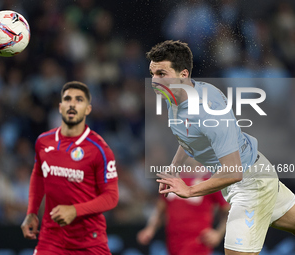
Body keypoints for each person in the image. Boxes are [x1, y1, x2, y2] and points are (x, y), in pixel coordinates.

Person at [147, 40, 295, 255]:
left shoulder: (208, 111)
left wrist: (189, 190)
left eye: (162, 73)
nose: (154, 81)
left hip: (249, 182)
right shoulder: (176, 98)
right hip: (247, 176)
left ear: (183, 74)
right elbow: (190, 138)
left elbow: (233, 172)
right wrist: (175, 167)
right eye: (152, 73)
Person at [21, 81, 119, 255]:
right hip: (51, 239)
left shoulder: (99, 150)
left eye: (79, 100)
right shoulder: (44, 141)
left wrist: (75, 210)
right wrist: (32, 212)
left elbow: (111, 197)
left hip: (88, 241)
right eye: (67, 99)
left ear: (88, 109)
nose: (72, 104)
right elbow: (38, 174)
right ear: (60, 107)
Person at [137, 169, 230, 255]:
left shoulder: (210, 179)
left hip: (199, 244)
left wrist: (218, 233)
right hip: (173, 244)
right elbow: (160, 209)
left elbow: (228, 211)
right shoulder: (171, 177)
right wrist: (150, 228)